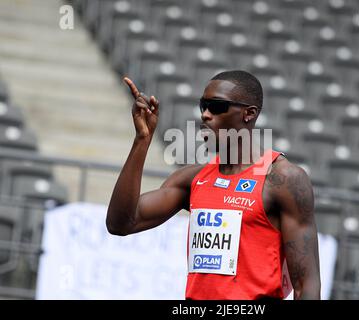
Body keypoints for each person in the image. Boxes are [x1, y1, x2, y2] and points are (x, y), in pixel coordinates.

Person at [106, 70, 321, 300]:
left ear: (249, 113)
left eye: (217, 106)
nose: (205, 115)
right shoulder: (192, 179)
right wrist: (142, 140)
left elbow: (306, 285)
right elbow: (121, 224)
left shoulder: (283, 179)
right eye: (203, 106)